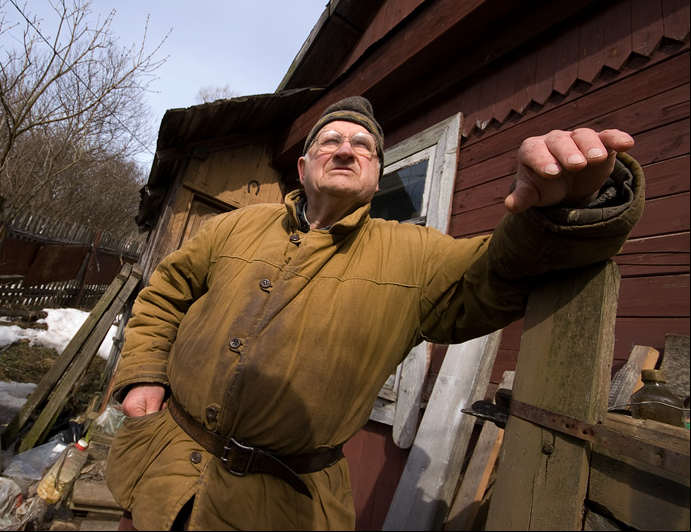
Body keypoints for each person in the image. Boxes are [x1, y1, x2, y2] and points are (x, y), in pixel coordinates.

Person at [105, 96, 644, 531]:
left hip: (278, 508)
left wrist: (558, 208)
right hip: (162, 465)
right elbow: (166, 290)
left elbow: (499, 273)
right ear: (302, 165)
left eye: (362, 146)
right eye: (331, 141)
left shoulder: (416, 253)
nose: (345, 150)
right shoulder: (236, 226)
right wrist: (144, 375)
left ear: (377, 172)